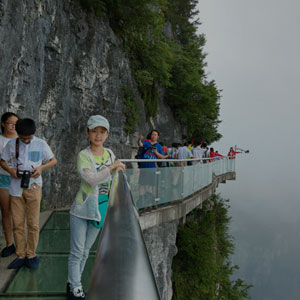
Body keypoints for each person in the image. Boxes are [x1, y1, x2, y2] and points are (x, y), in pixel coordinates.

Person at [67, 115, 125, 300]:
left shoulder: (109, 154)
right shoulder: (84, 155)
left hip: (101, 210)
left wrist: (119, 170)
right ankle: (76, 287)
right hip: (82, 210)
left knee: (85, 252)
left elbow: (115, 179)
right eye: (94, 131)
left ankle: (73, 282)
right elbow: (91, 180)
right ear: (88, 133)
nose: (98, 135)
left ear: (107, 134)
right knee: (77, 251)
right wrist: (112, 168)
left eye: (102, 132)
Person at [0, 118, 57, 269]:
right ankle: (20, 254)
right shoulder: (11, 144)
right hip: (15, 187)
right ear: (17, 134)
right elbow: (2, 161)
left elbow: (53, 160)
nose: (26, 141)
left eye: (29, 138)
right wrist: (11, 170)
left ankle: (31, 254)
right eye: (23, 138)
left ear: (34, 133)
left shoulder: (41, 143)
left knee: (33, 223)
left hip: (34, 186)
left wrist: (41, 169)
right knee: (18, 223)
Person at [0, 112, 19, 257]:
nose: (13, 126)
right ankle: (9, 243)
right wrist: (9, 170)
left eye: (15, 123)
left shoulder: (22, 139)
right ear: (3, 124)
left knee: (20, 212)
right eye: (10, 123)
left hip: (20, 180)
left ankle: (21, 244)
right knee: (6, 211)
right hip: (4, 178)